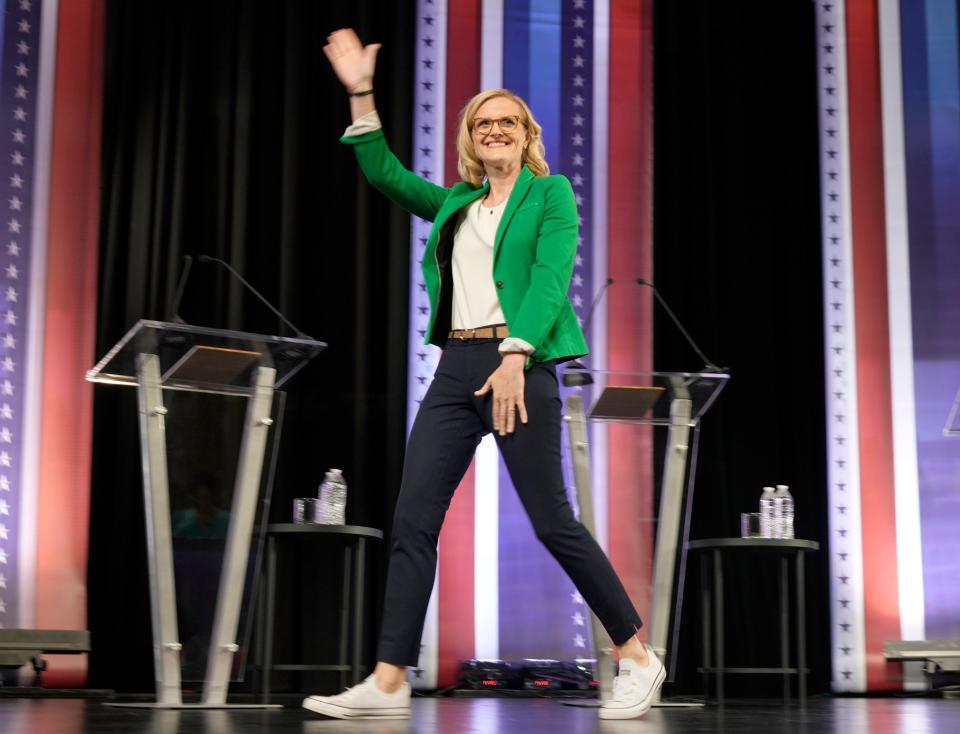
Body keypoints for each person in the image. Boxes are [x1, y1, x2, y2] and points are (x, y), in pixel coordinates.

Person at [303, 28, 665, 721]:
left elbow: (552, 277)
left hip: (516, 365)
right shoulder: (454, 204)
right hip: (454, 369)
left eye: (506, 121)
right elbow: (383, 174)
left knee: (551, 519)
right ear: (471, 138)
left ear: (524, 134)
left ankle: (638, 657)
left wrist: (516, 355)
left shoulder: (551, 194)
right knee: (412, 521)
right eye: (482, 122)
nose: (494, 129)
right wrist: (360, 93)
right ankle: (386, 682)